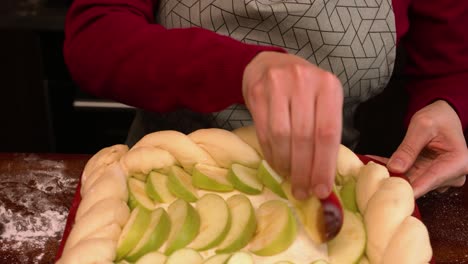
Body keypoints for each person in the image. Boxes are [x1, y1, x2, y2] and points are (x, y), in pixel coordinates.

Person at [63, 0, 467, 201]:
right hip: (165, 178)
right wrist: (238, 69)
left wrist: (447, 103)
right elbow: (96, 34)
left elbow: (450, 63)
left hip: (329, 185)